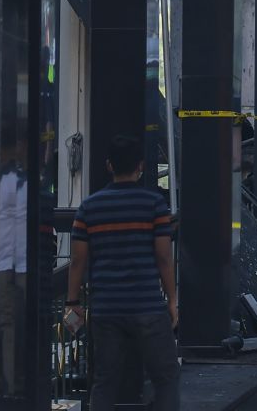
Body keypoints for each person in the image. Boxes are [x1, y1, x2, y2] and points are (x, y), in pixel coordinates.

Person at [66, 135, 179, 411]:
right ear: (140, 166)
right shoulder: (154, 205)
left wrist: (72, 303)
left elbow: (77, 261)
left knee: (105, 381)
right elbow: (164, 257)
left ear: (109, 166)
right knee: (165, 378)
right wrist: (173, 299)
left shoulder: (89, 207)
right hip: (147, 307)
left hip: (106, 309)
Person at [0, 140, 26, 396]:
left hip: (17, 261)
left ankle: (16, 383)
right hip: (6, 260)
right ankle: (10, 384)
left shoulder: (26, 181)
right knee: (8, 322)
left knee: (17, 322)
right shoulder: (2, 181)